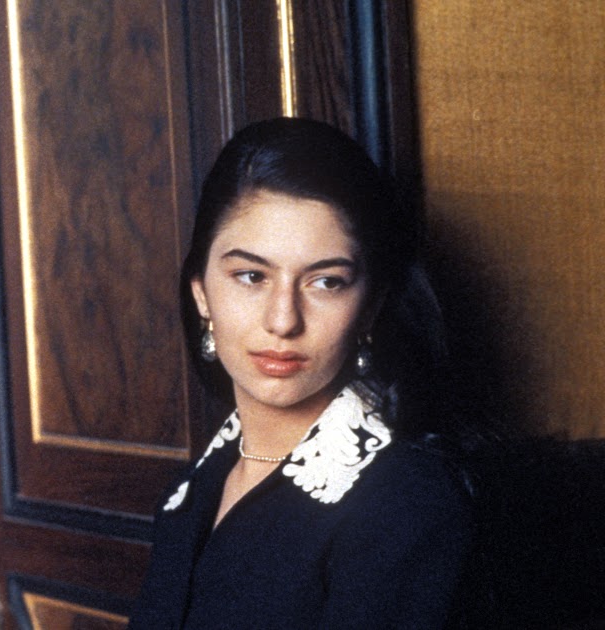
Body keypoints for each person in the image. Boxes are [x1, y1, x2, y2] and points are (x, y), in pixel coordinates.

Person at [128, 118, 476, 629]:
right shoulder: (191, 490)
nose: (283, 320)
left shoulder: (408, 501)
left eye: (326, 282)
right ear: (201, 293)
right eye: (251, 276)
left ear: (370, 307)